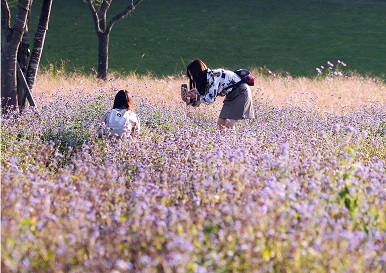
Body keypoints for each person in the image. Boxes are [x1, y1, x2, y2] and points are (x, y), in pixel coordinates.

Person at [184, 59, 254, 131]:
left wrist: (196, 96)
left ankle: (232, 141)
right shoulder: (206, 80)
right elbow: (203, 99)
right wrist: (189, 100)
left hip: (241, 92)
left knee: (229, 123)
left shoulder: (214, 76)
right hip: (231, 95)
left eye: (192, 74)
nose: (192, 77)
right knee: (220, 124)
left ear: (197, 72)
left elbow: (209, 100)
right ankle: (222, 141)